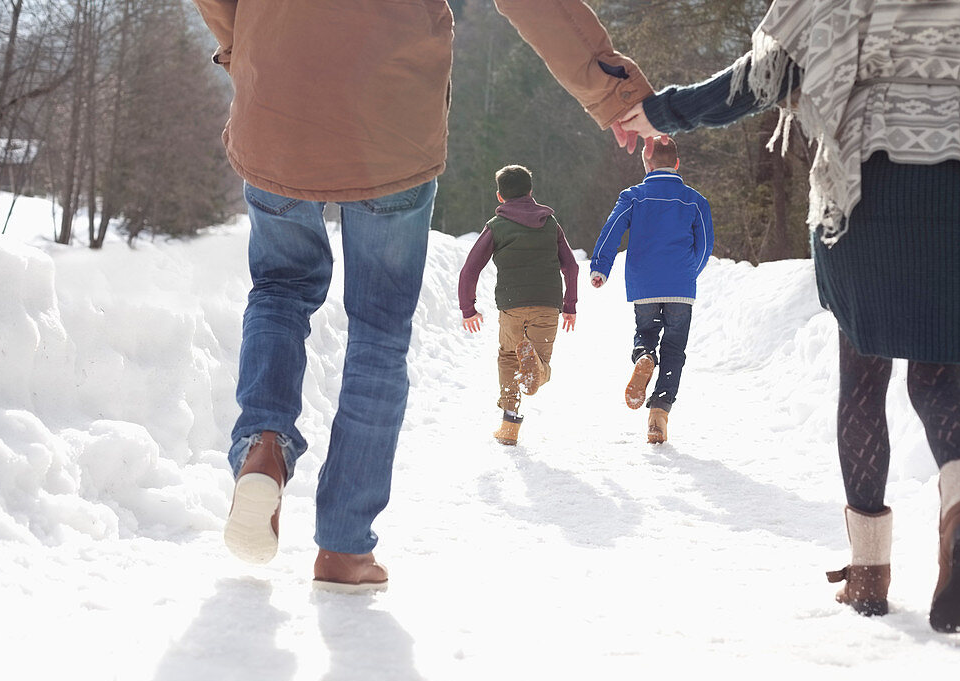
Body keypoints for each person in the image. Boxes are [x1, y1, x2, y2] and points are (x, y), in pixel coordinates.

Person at [612, 0, 960, 631]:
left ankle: (869, 575)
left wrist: (663, 111)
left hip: (867, 188)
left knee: (864, 376)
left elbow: (764, 75)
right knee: (938, 384)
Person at [190, 0, 654, 590]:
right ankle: (343, 548)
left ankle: (263, 447)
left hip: (276, 108)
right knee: (379, 330)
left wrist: (247, 52)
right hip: (391, 125)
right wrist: (613, 92)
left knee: (280, 289)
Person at [589, 137, 714, 444]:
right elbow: (705, 244)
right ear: (677, 163)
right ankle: (659, 413)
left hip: (644, 283)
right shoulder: (695, 200)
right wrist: (689, 272)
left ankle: (644, 356)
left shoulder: (634, 196)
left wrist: (600, 267)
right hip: (680, 286)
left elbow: (612, 229)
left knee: (646, 331)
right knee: (674, 349)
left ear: (646, 163)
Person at [458, 165, 579, 446]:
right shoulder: (550, 224)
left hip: (511, 306)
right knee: (541, 365)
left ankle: (509, 424)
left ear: (500, 196)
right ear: (531, 192)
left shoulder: (496, 226)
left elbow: (470, 269)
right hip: (547, 305)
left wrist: (468, 309)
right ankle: (535, 366)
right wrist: (569, 305)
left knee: (508, 358)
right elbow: (571, 266)